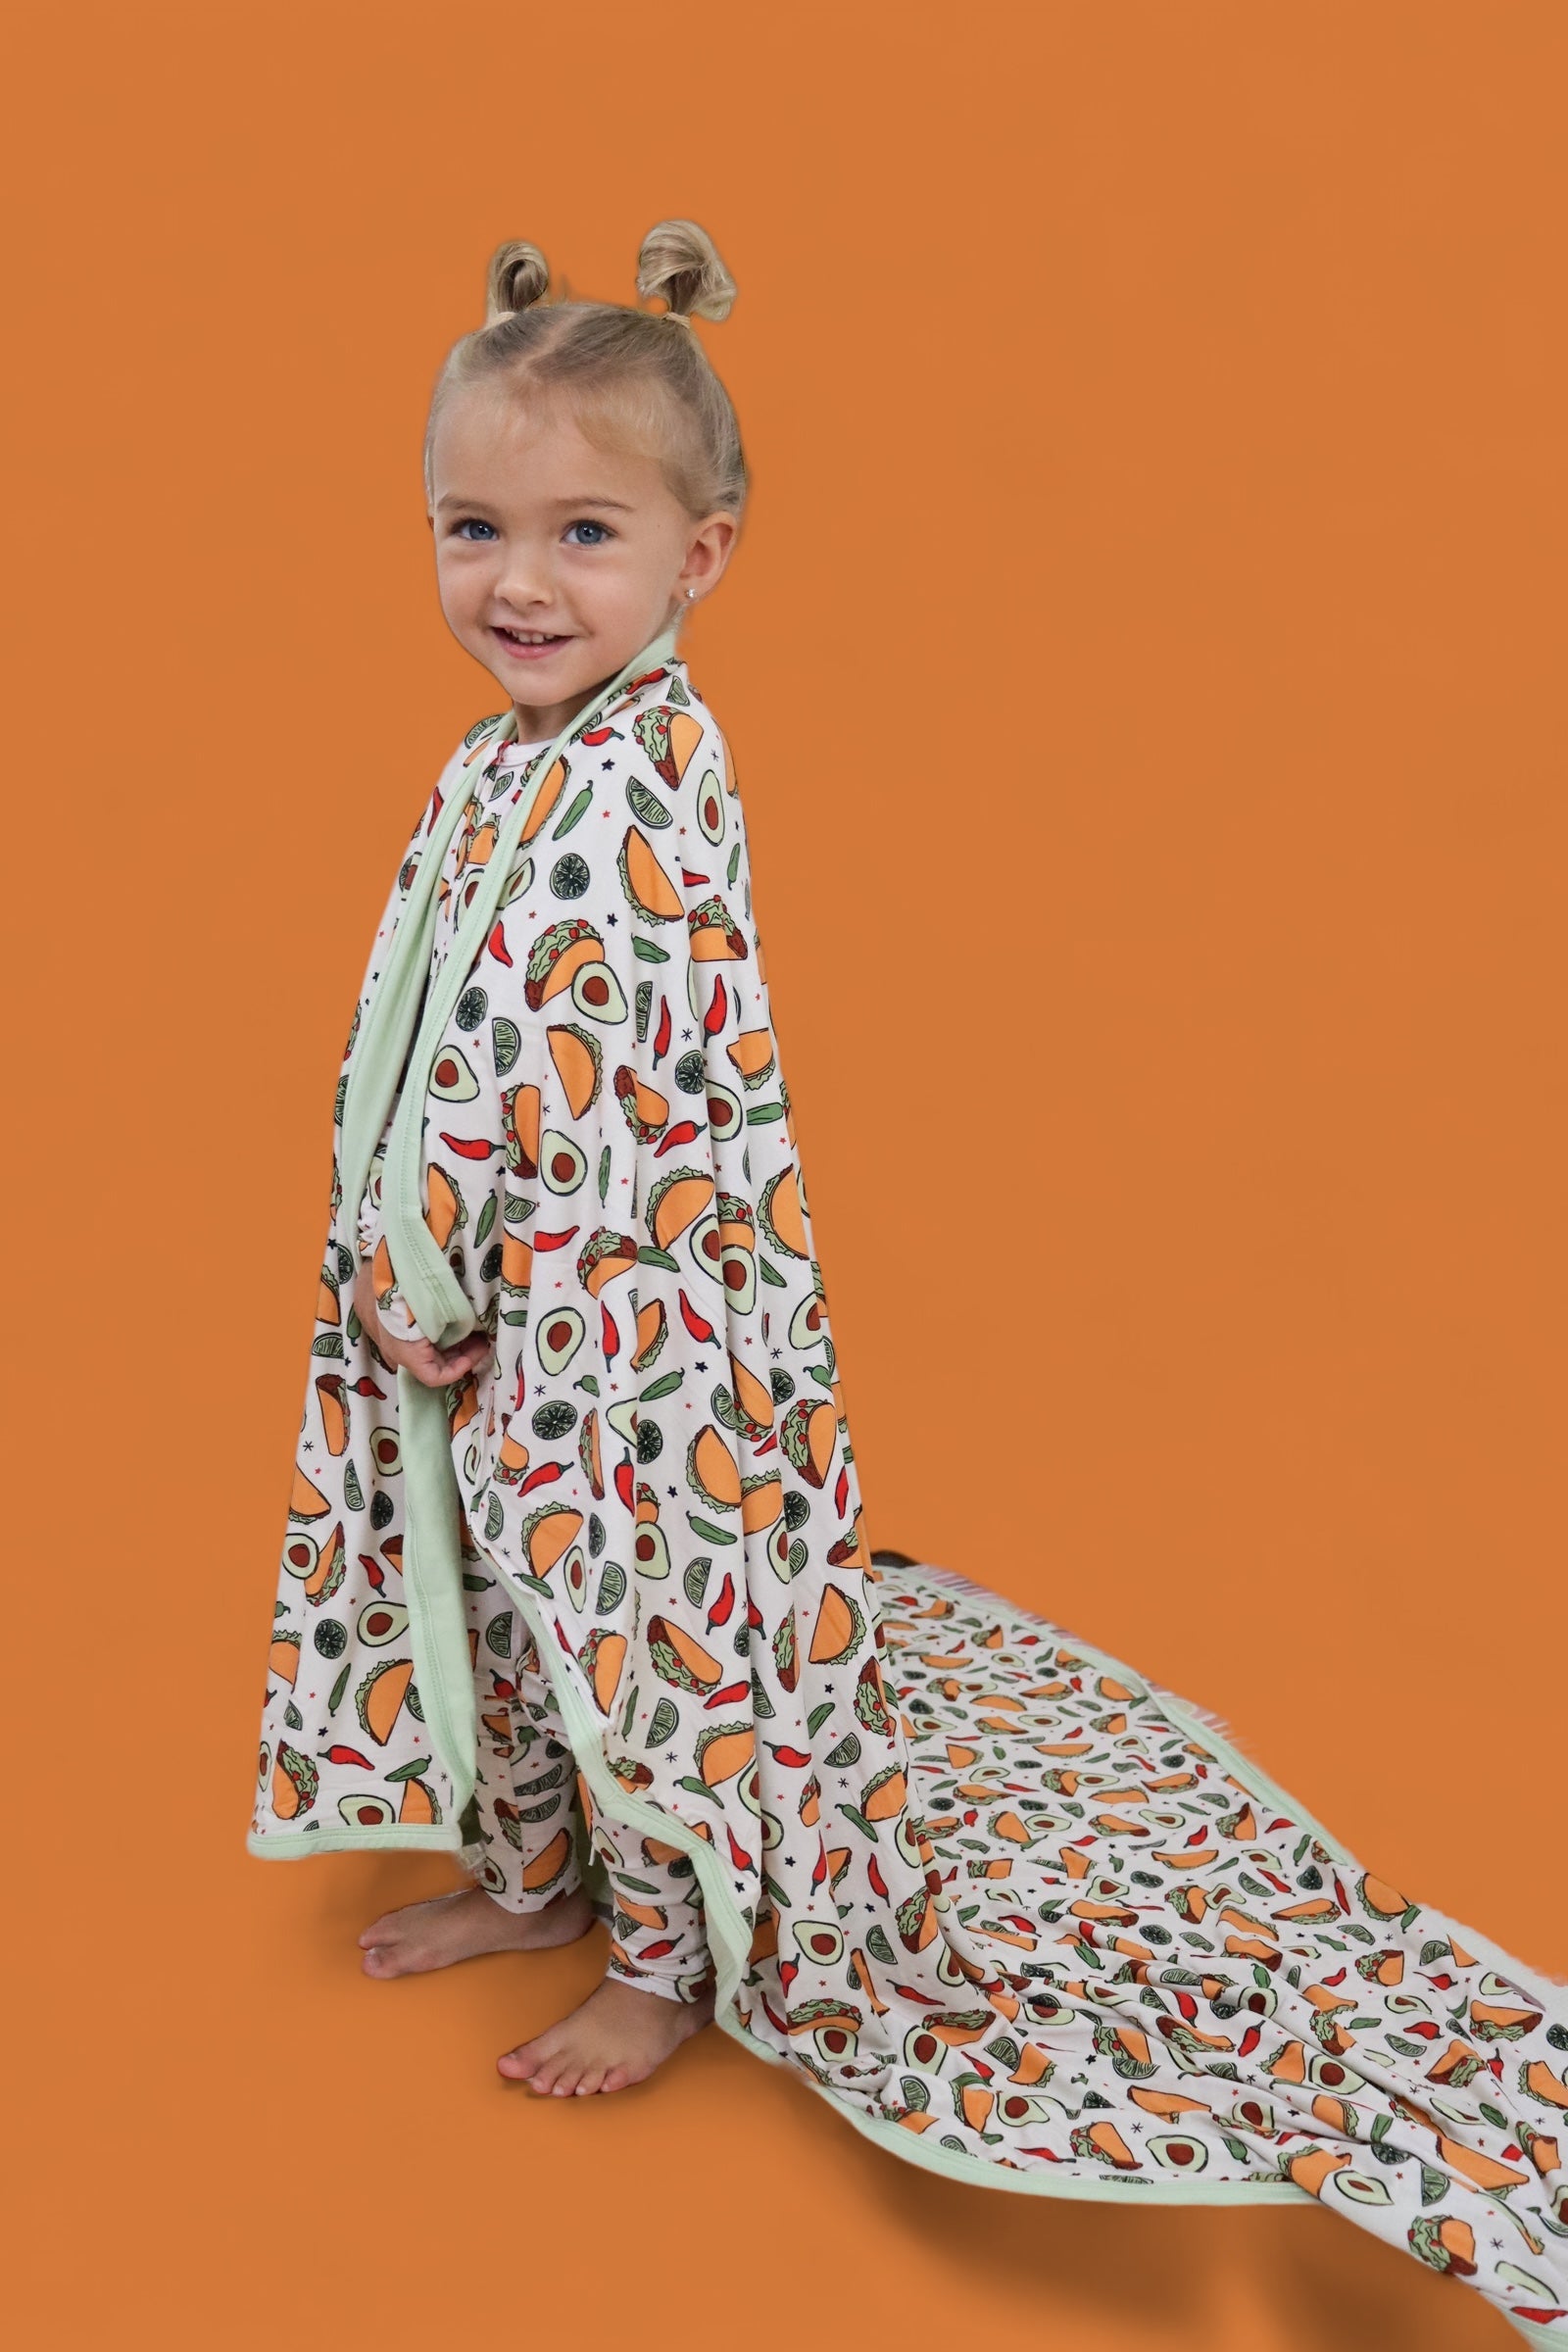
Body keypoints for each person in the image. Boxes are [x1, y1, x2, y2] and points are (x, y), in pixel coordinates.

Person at [252, 220, 1567, 2341]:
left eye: (584, 533)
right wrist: (405, 1251)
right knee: (489, 1583)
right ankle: (529, 1874)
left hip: (625, 1334)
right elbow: (439, 1027)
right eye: (471, 528)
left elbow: (566, 1074)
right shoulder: (503, 759)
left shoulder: (638, 779)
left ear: (701, 555)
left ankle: (660, 1958)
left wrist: (458, 1267)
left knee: (632, 1615)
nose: (518, 582)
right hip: (479, 1312)